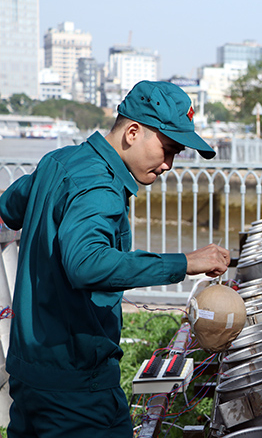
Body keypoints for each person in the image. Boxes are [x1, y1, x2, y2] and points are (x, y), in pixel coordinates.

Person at [0, 80, 231, 437]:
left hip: (29, 372)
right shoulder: (101, 187)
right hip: (77, 385)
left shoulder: (59, 162)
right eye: (167, 149)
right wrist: (184, 263)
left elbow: (10, 207)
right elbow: (88, 264)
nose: (168, 164)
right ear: (133, 132)